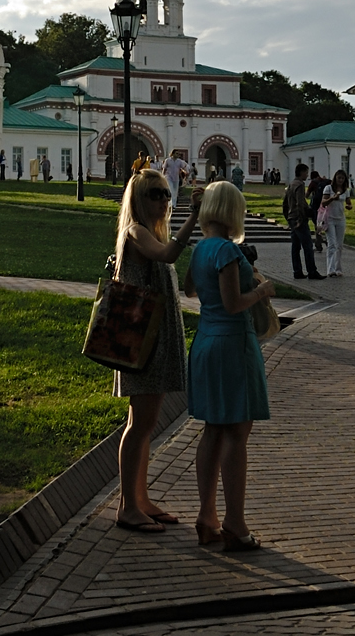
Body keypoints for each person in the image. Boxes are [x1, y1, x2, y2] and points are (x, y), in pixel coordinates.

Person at [106, 169, 199, 532]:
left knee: (145, 425)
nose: (163, 200)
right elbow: (168, 254)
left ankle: (139, 498)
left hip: (155, 341)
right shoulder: (136, 232)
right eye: (155, 194)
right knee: (138, 424)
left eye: (165, 193)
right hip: (140, 341)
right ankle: (128, 506)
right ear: (138, 200)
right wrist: (194, 216)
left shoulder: (149, 231)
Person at [187, 181, 274, 552]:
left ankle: (207, 516)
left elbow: (191, 290)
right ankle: (235, 524)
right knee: (237, 434)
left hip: (206, 340)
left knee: (213, 430)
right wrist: (262, 291)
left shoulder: (201, 248)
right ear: (231, 210)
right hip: (233, 344)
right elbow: (234, 303)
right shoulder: (225, 250)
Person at [283, 163, 321, 280]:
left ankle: (297, 271)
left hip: (291, 217)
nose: (307, 174)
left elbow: (285, 204)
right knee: (307, 245)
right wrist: (300, 219)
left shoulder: (291, 185)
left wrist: (288, 218)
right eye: (306, 172)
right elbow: (300, 203)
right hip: (299, 218)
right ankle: (312, 271)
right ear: (301, 172)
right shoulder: (299, 185)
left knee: (295, 246)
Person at [320, 169, 353, 276]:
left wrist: (349, 206)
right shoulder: (328, 188)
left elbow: (349, 202)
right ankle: (331, 269)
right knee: (332, 244)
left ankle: (338, 269)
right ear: (335, 178)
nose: (340, 180)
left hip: (340, 219)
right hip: (329, 219)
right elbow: (323, 203)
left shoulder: (345, 190)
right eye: (339, 178)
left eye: (343, 178)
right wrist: (333, 198)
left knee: (339, 245)